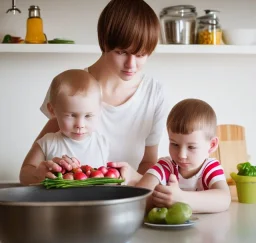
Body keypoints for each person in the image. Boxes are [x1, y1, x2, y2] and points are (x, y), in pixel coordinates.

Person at [20, 0, 167, 185]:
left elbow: (148, 162)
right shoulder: (70, 87)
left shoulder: (154, 94)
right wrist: (40, 174)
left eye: (141, 55)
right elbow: (28, 171)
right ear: (105, 42)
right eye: (122, 52)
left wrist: (134, 180)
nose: (131, 65)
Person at [136, 98, 231, 213]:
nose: (181, 155)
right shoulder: (166, 166)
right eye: (175, 144)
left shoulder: (210, 168)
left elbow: (224, 199)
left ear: (212, 145)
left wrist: (181, 199)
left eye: (191, 147)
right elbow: (139, 197)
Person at [20, 69, 109, 184]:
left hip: (95, 202)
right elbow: (24, 174)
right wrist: (38, 174)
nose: (80, 125)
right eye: (71, 115)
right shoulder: (47, 143)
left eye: (88, 116)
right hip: (57, 201)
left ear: (99, 110)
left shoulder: (102, 143)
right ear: (52, 111)